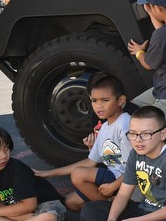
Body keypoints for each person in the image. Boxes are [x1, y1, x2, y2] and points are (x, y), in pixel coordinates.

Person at [34, 75, 130, 211]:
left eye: (105, 100)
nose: (99, 106)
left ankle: (112, 211)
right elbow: (90, 162)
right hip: (112, 176)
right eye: (94, 100)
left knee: (79, 175)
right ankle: (109, 204)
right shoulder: (105, 127)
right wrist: (47, 173)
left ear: (120, 100)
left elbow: (137, 164)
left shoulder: (125, 125)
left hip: (127, 181)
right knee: (71, 202)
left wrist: (113, 186)